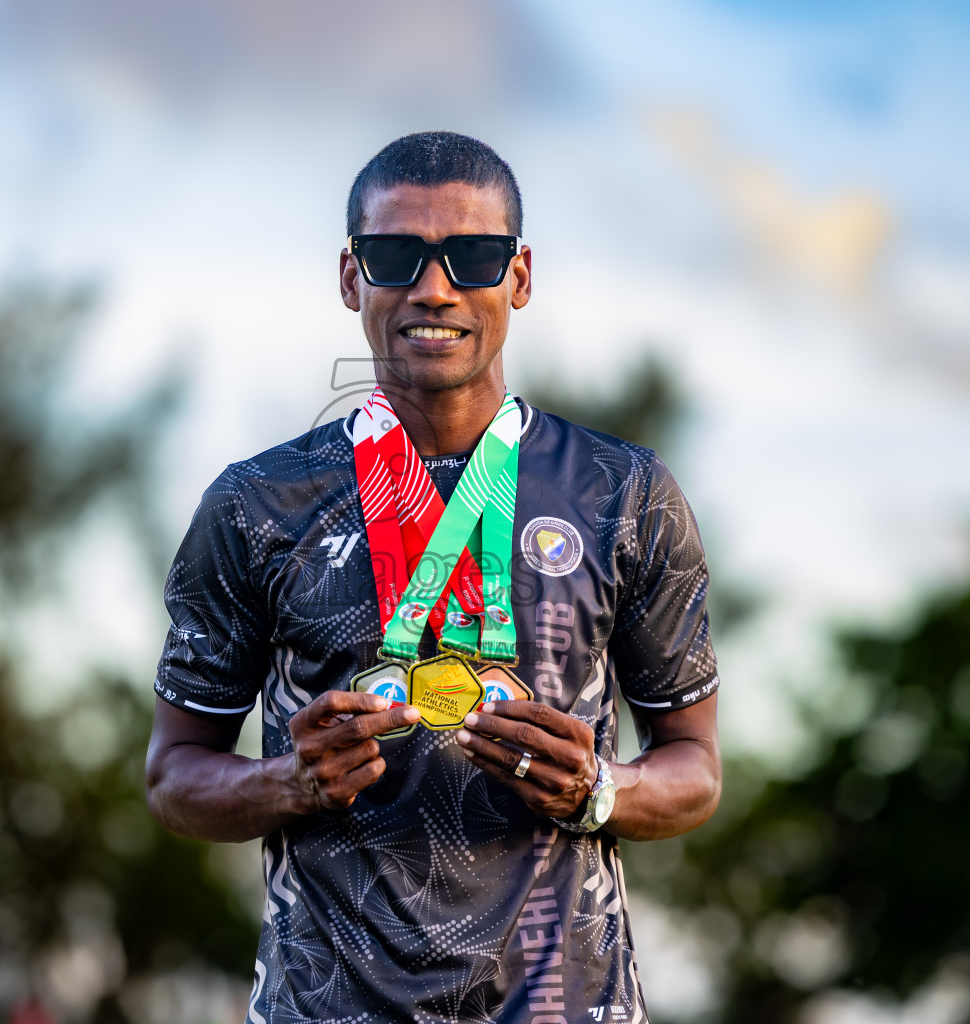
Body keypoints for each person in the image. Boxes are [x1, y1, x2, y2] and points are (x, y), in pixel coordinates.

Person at [145, 131, 721, 1024]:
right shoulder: (257, 504)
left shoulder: (624, 495)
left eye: (473, 256)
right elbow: (173, 775)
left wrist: (599, 788)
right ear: (351, 278)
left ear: (520, 276)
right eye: (395, 255)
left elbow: (696, 767)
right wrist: (287, 782)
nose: (434, 285)